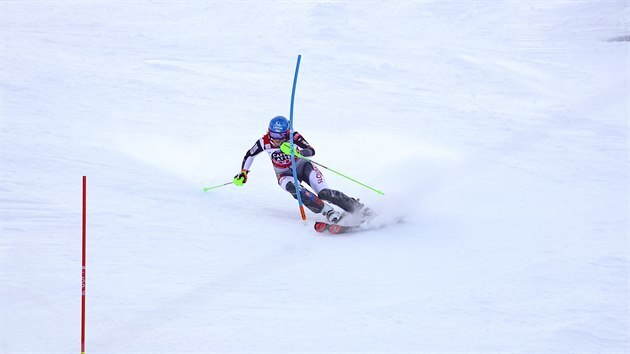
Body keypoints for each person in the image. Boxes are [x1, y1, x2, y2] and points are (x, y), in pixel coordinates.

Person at [234, 115, 368, 223]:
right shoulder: (263, 142)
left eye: (280, 136)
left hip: (304, 167)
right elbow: (250, 155)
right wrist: (244, 172)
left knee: (325, 193)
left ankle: (356, 207)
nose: (276, 139)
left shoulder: (293, 136)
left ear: (286, 132)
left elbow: (311, 150)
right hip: (284, 174)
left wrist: (298, 153)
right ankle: (328, 211)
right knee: (296, 189)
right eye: (273, 135)